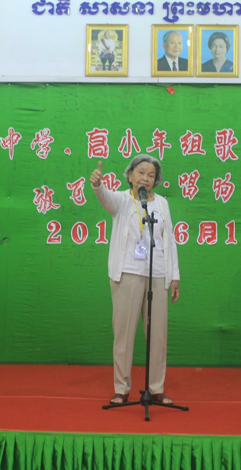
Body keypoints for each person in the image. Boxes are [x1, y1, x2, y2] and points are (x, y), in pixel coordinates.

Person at [90, 155, 181, 405]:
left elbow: (169, 240)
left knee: (157, 336)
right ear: (129, 175)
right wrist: (98, 185)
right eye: (140, 172)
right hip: (128, 273)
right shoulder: (121, 200)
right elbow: (105, 198)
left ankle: (156, 388)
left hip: (157, 274)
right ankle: (121, 388)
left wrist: (174, 275)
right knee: (124, 334)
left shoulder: (162, 204)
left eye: (151, 175)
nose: (145, 178)